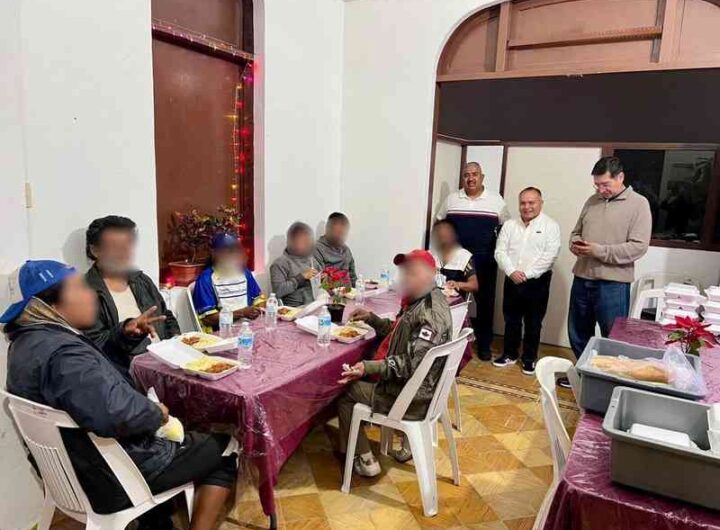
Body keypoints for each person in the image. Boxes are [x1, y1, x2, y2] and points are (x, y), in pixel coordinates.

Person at [2, 260, 236, 530]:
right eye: (80, 288)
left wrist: (123, 335)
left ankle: (156, 523)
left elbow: (91, 372)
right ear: (51, 305)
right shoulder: (65, 355)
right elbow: (115, 412)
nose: (92, 294)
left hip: (72, 474)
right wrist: (156, 414)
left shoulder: (28, 343)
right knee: (225, 446)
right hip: (110, 480)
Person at [336, 250, 452, 476]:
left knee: (346, 391)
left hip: (411, 397)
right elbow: (398, 334)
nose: (405, 278)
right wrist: (372, 319)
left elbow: (411, 363)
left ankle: (364, 459)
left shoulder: (429, 314)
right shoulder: (422, 300)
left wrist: (368, 367)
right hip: (422, 389)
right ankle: (395, 440)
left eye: (413, 273)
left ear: (430, 275)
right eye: (405, 272)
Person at [568, 156, 652, 360]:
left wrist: (598, 251)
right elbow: (576, 232)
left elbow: (638, 247)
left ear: (620, 177)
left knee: (613, 337)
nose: (600, 189)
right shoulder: (592, 201)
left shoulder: (639, 204)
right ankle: (583, 373)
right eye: (597, 185)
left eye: (605, 184)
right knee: (578, 333)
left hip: (613, 284)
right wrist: (575, 243)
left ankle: (606, 377)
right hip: (582, 278)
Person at [84, 215, 180, 373]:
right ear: (95, 250)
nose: (125, 253)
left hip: (166, 363)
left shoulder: (141, 280)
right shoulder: (85, 291)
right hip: (127, 372)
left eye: (128, 245)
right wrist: (125, 331)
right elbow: (94, 344)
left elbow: (165, 315)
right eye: (116, 247)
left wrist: (177, 341)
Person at [437, 161, 510, 360]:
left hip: (484, 262)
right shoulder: (452, 200)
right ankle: (448, 343)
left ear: (482, 177)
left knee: (485, 305)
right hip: (455, 263)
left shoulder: (496, 201)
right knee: (451, 302)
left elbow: (506, 229)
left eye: (475, 174)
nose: (471, 178)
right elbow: (440, 223)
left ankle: (484, 345)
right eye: (467, 175)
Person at [493, 187, 561, 375]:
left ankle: (529, 358)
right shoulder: (509, 225)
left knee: (534, 322)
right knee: (511, 319)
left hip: (537, 281)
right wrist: (512, 272)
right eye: (523, 203)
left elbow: (550, 256)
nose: (527, 207)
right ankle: (509, 354)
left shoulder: (551, 226)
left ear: (541, 203)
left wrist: (527, 274)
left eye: (532, 202)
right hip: (512, 278)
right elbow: (500, 252)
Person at [192, 232, 262, 330]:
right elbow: (208, 319)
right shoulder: (205, 279)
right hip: (222, 331)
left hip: (249, 327)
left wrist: (260, 308)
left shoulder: (244, 272)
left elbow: (259, 300)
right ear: (213, 253)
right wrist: (242, 313)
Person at [270, 221, 319, 307]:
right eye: (304, 242)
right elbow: (277, 291)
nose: (308, 245)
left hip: (314, 304)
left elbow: (320, 280)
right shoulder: (280, 263)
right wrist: (301, 278)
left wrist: (322, 278)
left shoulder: (311, 259)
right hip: (295, 309)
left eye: (309, 241)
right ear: (292, 242)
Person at [431, 219, 478, 296]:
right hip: (433, 299)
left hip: (455, 300)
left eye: (446, 234)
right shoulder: (430, 255)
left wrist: (457, 284)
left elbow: (474, 285)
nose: (443, 238)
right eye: (440, 234)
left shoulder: (464, 256)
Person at [314, 212, 358, 285]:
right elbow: (318, 282)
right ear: (327, 230)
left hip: (349, 291)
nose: (340, 237)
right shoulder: (317, 249)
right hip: (328, 291)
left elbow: (353, 278)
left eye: (343, 233)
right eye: (338, 232)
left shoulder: (346, 250)